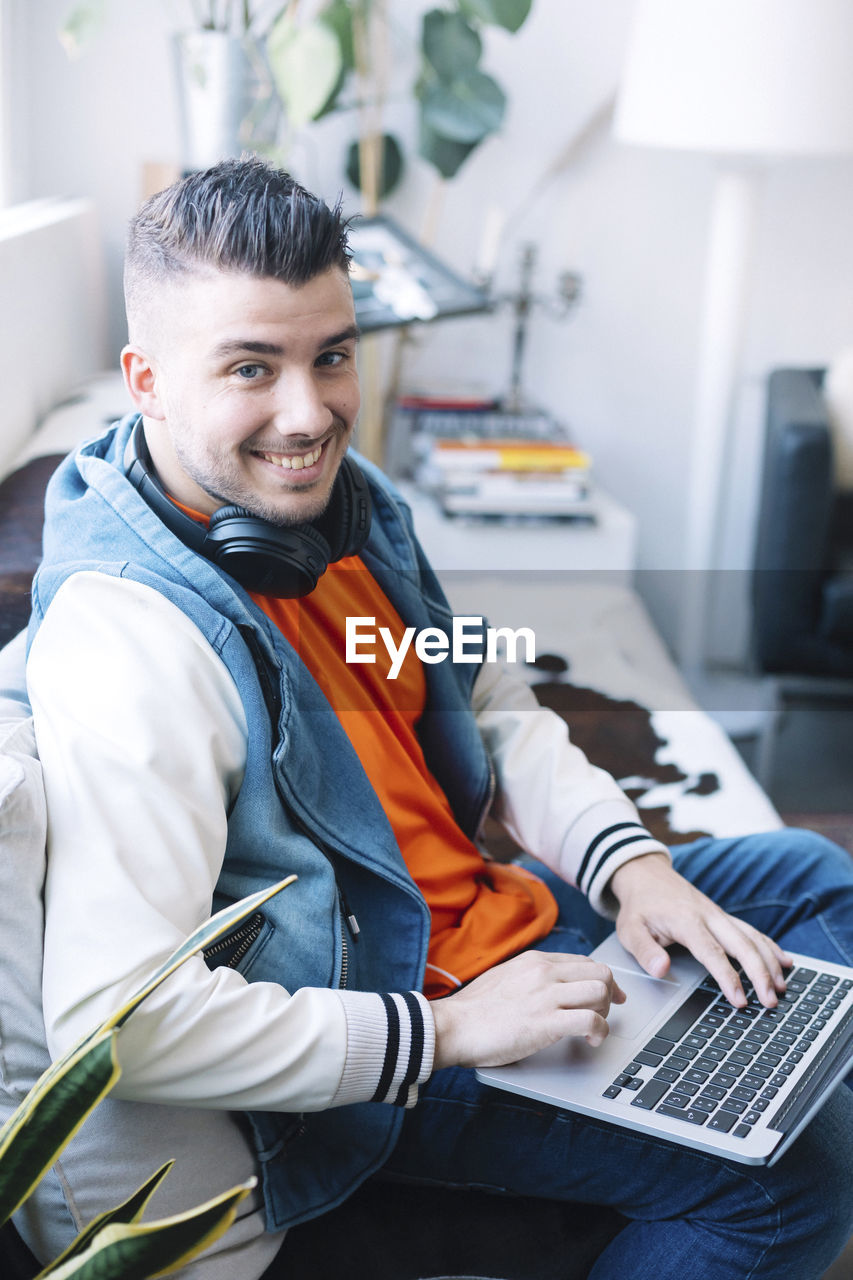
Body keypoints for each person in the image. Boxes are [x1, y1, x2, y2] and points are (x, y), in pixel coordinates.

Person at [12, 156, 853, 1279]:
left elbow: (481, 691)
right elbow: (124, 1026)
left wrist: (631, 868)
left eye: (332, 354)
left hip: (481, 916)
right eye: (250, 368)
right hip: (398, 1030)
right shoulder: (137, 647)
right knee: (791, 1183)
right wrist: (451, 1032)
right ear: (147, 380)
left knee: (808, 876)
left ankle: (733, 1077)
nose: (308, 414)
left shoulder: (337, 510)